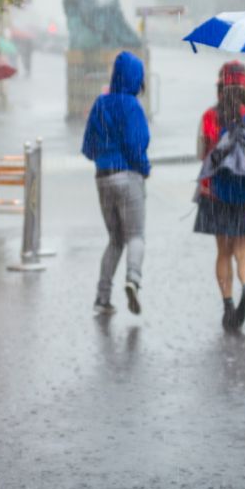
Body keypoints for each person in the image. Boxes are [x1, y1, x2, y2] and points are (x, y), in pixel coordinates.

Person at [82, 51, 150, 316]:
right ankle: (133, 279)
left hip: (102, 177)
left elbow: (88, 147)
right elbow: (136, 146)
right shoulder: (132, 106)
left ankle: (102, 297)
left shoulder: (100, 104)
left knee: (115, 239)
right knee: (135, 235)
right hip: (128, 176)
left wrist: (104, 158)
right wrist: (144, 168)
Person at [195, 61, 245, 331]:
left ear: (221, 86)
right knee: (244, 251)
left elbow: (202, 153)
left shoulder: (210, 116)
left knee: (223, 251)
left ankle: (228, 304)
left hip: (216, 193)